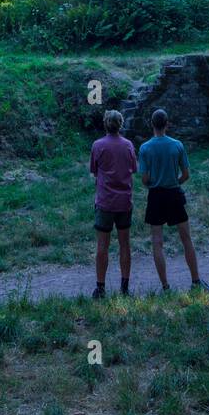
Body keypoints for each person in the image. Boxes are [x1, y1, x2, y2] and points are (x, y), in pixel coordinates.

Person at [138, 108, 209, 292]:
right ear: (167, 124)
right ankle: (195, 281)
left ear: (151, 124)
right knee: (186, 238)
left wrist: (154, 182)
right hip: (174, 193)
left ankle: (165, 286)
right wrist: (173, 181)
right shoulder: (177, 145)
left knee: (157, 242)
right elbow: (186, 175)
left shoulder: (145, 148)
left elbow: (144, 179)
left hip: (156, 196)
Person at [89, 109, 137, 298]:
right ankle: (124, 288)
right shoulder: (128, 145)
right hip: (124, 201)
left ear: (105, 123)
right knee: (125, 244)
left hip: (105, 202)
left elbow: (94, 170)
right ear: (121, 124)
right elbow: (133, 169)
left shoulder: (98, 145)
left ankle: (100, 288)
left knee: (102, 246)